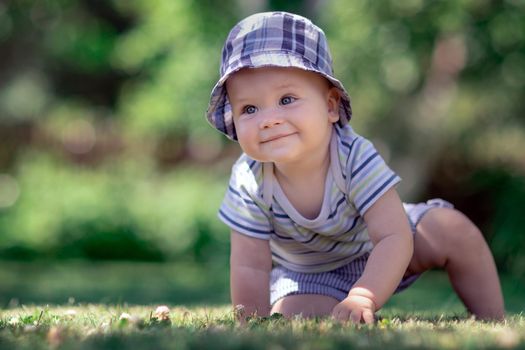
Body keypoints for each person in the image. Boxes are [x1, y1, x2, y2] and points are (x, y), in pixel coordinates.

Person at [206, 11, 504, 323]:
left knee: (452, 229)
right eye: (249, 108)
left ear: (331, 106)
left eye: (287, 99)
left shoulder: (351, 156)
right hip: (311, 274)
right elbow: (249, 264)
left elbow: (393, 236)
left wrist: (365, 294)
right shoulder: (249, 178)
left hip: (381, 246)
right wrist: (252, 321)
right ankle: (338, 307)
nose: (269, 119)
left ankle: (494, 320)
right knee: (294, 316)